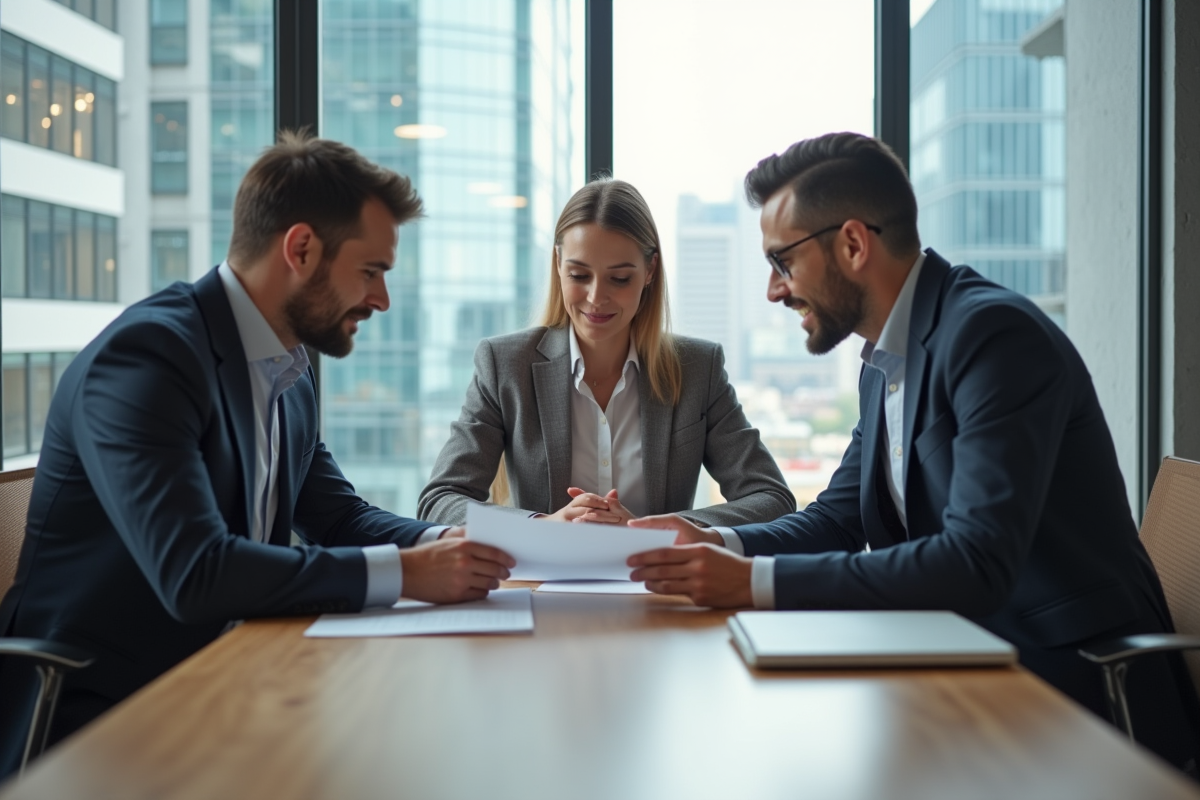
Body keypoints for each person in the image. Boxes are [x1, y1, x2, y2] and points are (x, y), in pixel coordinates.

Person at [625, 132, 1200, 771]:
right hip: (966, 658)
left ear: (852, 244)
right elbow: (836, 520)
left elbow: (976, 561)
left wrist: (754, 582)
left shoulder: (991, 337)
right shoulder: (884, 361)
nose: (773, 290)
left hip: (1071, 687)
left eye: (783, 262)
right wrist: (715, 544)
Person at [0, 132, 514, 776]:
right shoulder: (149, 357)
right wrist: (410, 575)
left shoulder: (285, 372)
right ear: (300, 248)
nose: (381, 299)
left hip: (230, 681)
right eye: (371, 271)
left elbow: (340, 518)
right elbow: (196, 573)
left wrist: (454, 546)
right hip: (98, 718)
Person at [418, 178, 793, 528]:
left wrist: (658, 532)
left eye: (619, 278)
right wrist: (543, 529)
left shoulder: (697, 368)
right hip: (539, 588)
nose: (596, 297)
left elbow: (771, 497)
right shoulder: (505, 365)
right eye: (579, 275)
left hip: (657, 590)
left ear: (650, 271)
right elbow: (440, 501)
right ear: (558, 266)